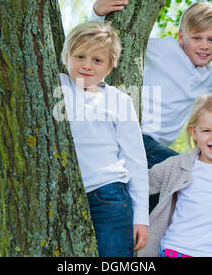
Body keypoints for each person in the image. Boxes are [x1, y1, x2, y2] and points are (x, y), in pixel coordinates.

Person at [92, 0, 212, 210]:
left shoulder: (208, 77)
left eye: (211, 39)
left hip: (152, 153)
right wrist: (98, 14)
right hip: (133, 137)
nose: (204, 46)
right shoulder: (163, 50)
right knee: (190, 172)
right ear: (181, 36)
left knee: (156, 204)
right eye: (196, 38)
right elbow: (106, 44)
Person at [58, 20, 149, 256]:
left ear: (109, 67)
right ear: (66, 58)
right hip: (66, 194)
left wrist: (141, 218)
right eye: (80, 57)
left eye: (97, 60)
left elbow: (136, 161)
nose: (87, 65)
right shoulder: (59, 86)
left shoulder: (119, 100)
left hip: (109, 197)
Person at [138, 94, 212, 257]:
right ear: (194, 132)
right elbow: (141, 184)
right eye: (206, 131)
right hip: (172, 251)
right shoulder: (177, 165)